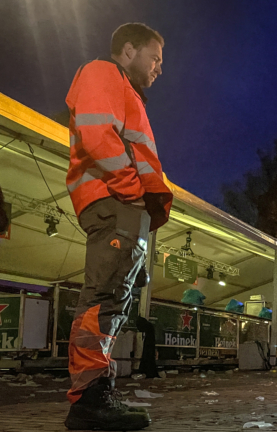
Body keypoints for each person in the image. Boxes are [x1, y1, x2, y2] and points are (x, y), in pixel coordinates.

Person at [64, 23, 173, 431]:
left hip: (123, 207)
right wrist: (131, 191)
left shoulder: (122, 88)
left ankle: (94, 393)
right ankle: (89, 400)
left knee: (114, 299)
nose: (159, 68)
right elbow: (97, 135)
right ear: (128, 50)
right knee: (104, 297)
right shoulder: (102, 73)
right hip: (115, 202)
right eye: (155, 57)